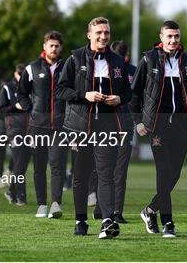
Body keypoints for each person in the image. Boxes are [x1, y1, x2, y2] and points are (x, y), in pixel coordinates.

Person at [56, 16, 131, 239]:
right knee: (80, 175)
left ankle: (107, 221)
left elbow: (129, 93)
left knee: (106, 173)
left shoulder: (117, 61)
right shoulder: (75, 58)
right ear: (89, 35)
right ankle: (81, 220)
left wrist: (119, 99)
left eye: (106, 33)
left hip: (107, 127)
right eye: (98, 33)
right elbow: (61, 90)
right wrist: (84, 95)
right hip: (80, 128)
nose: (103, 36)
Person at [130, 20, 187, 238]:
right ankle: (168, 222)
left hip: (181, 126)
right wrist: (138, 121)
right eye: (169, 36)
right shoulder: (149, 59)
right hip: (157, 126)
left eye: (176, 36)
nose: (173, 40)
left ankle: (149, 211)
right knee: (163, 172)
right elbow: (135, 93)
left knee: (174, 175)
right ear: (161, 38)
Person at [17, 31, 68, 218]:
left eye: (57, 46)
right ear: (44, 46)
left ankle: (55, 204)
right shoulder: (32, 68)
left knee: (57, 164)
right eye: (51, 45)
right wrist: (31, 110)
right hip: (38, 126)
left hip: (60, 126)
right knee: (39, 166)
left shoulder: (67, 67)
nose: (54, 48)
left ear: (61, 48)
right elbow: (21, 93)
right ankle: (42, 205)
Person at [109, 40, 136, 223]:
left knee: (103, 167)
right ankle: (116, 212)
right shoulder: (134, 71)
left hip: (107, 122)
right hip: (125, 123)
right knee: (120, 170)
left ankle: (103, 209)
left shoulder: (105, 68)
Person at [0, 64, 29, 205]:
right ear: (15, 74)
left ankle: (11, 191)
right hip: (14, 128)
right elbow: (1, 110)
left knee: (22, 163)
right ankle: (21, 196)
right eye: (20, 74)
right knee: (20, 160)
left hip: (30, 128)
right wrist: (15, 107)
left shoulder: (32, 87)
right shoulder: (7, 87)